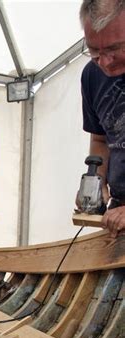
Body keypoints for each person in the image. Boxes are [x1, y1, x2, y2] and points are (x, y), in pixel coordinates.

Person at [80, 0, 125, 238]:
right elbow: (100, 138)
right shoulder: (91, 75)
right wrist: (96, 187)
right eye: (95, 50)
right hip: (118, 210)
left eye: (115, 48)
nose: (105, 61)